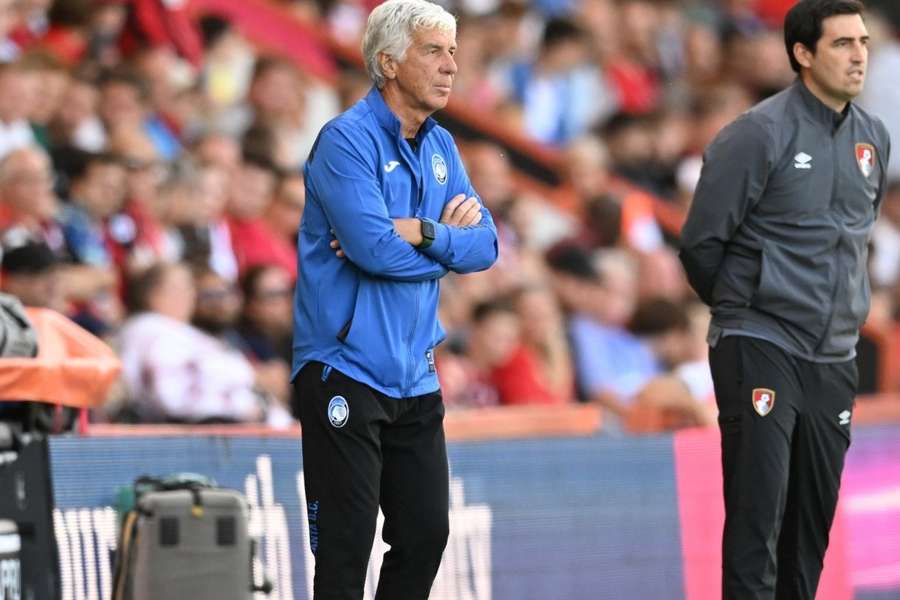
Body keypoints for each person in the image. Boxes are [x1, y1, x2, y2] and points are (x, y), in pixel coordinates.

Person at [678, 1, 891, 598]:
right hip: (762, 341)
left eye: (863, 42)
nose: (858, 56)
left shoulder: (873, 139)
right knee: (757, 516)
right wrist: (746, 309)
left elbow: (852, 240)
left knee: (811, 524)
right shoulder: (757, 133)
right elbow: (701, 243)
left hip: (834, 356)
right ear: (802, 54)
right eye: (842, 43)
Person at [291, 0, 498, 598]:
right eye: (433, 50)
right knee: (345, 548)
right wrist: (442, 247)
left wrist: (424, 230)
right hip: (344, 368)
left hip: (415, 375)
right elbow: (373, 251)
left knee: (426, 534)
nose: (450, 65)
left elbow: (486, 245)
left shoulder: (441, 147)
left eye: (453, 51)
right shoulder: (344, 142)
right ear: (387, 61)